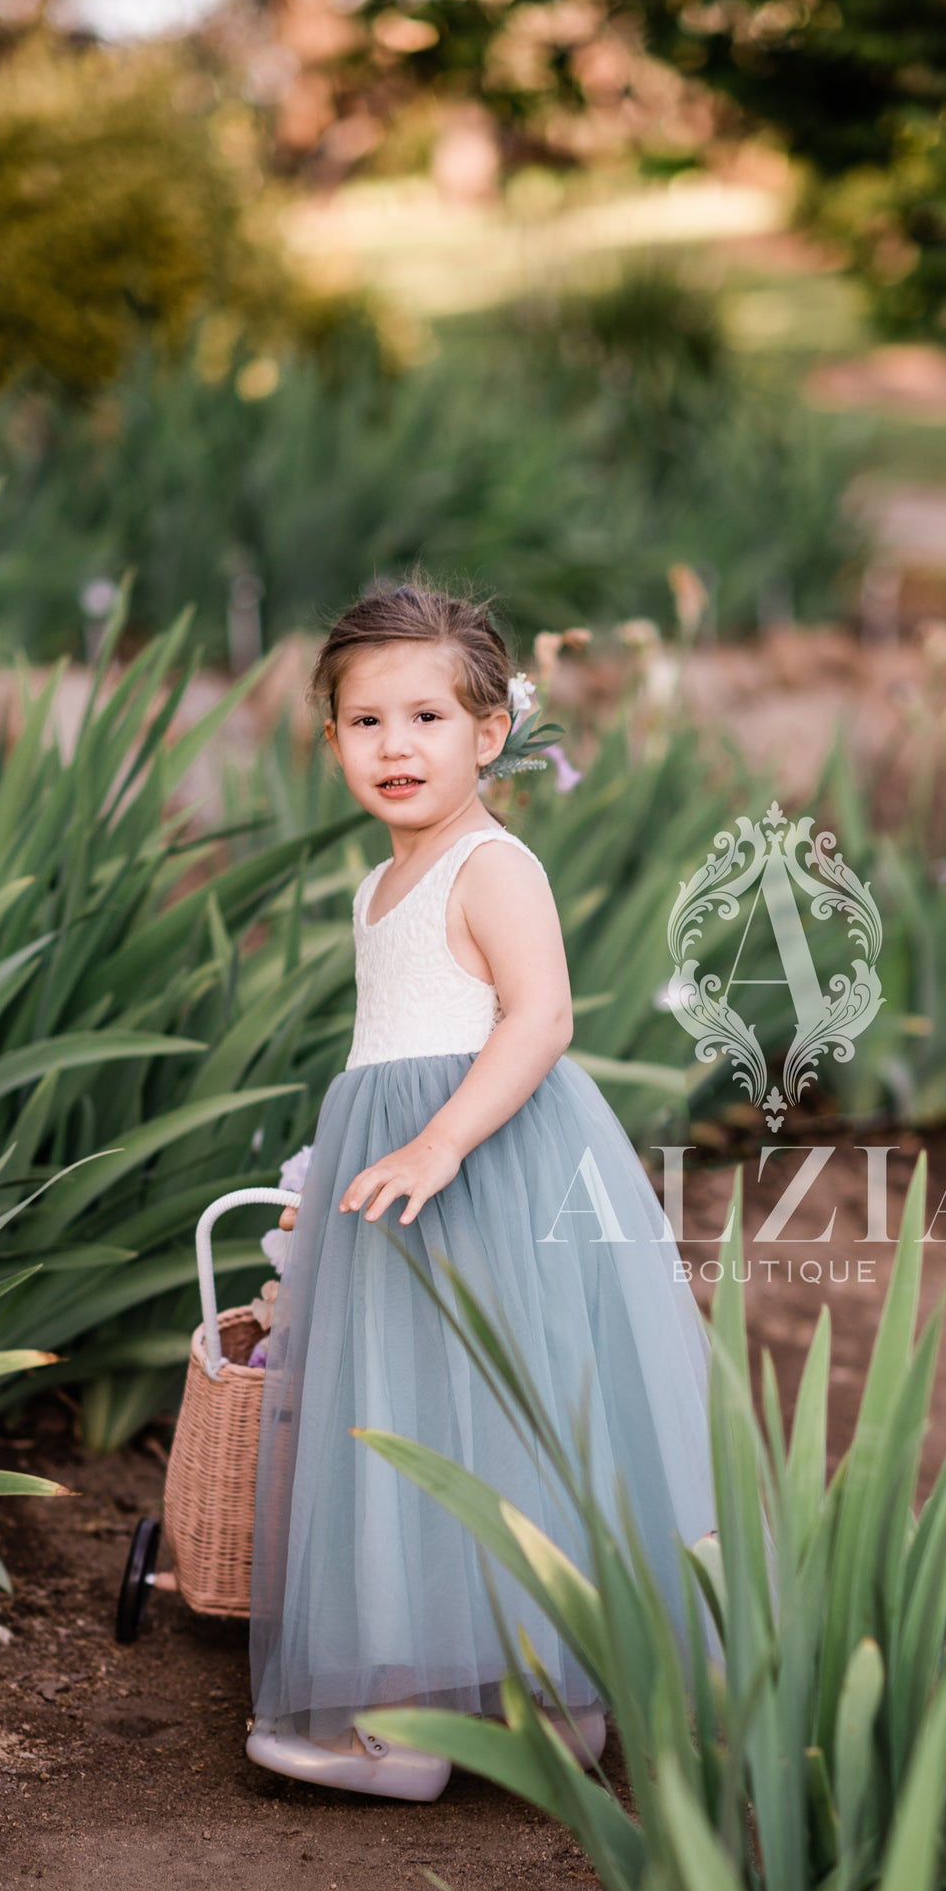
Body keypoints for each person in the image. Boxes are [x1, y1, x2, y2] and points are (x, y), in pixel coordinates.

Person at [245, 578, 716, 1801]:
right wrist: (338, 1174)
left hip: (488, 1163)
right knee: (423, 1418)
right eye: (364, 723)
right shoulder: (376, 885)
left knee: (502, 1414)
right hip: (399, 1163)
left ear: (490, 733)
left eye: (427, 720)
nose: (394, 747)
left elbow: (542, 1015)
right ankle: (528, 1710)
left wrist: (444, 1142)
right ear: (331, 735)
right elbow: (381, 1045)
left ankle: (448, 1718)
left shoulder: (489, 863)